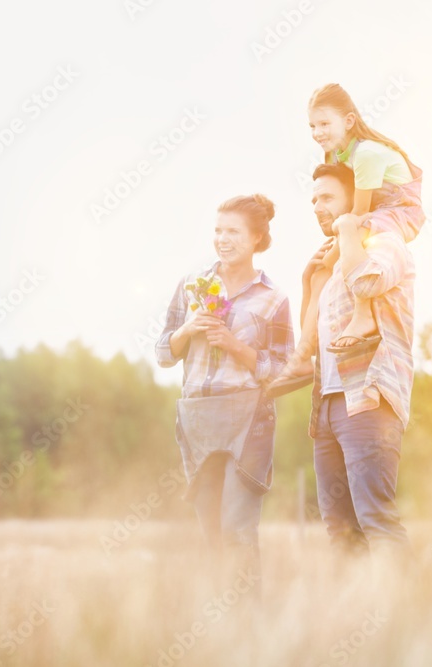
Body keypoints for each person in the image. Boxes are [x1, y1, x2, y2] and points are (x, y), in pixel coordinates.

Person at [155, 194, 293, 593]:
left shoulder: (274, 298)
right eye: (218, 230)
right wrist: (189, 329)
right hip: (197, 417)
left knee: (237, 528)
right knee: (211, 533)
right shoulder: (191, 286)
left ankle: (249, 628)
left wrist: (234, 345)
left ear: (256, 238)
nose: (222, 239)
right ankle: (221, 630)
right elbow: (164, 353)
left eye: (232, 231)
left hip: (247, 417)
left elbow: (282, 369)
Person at [267, 83, 424, 397]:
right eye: (313, 125)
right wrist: (325, 263)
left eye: (325, 123)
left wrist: (337, 249)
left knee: (348, 234)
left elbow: (358, 213)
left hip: (398, 209)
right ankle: (301, 356)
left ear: (349, 121)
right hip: (372, 212)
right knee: (325, 267)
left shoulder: (365, 154)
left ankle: (363, 316)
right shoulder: (339, 153)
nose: (317, 132)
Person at [299, 163, 415, 561]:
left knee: (376, 519)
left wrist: (349, 229)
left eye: (327, 197)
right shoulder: (332, 270)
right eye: (313, 199)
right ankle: (355, 617)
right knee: (340, 530)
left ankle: (404, 611)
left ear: (355, 199)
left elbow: (366, 281)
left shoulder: (387, 242)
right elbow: (310, 344)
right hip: (328, 404)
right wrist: (309, 281)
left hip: (368, 397)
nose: (317, 206)